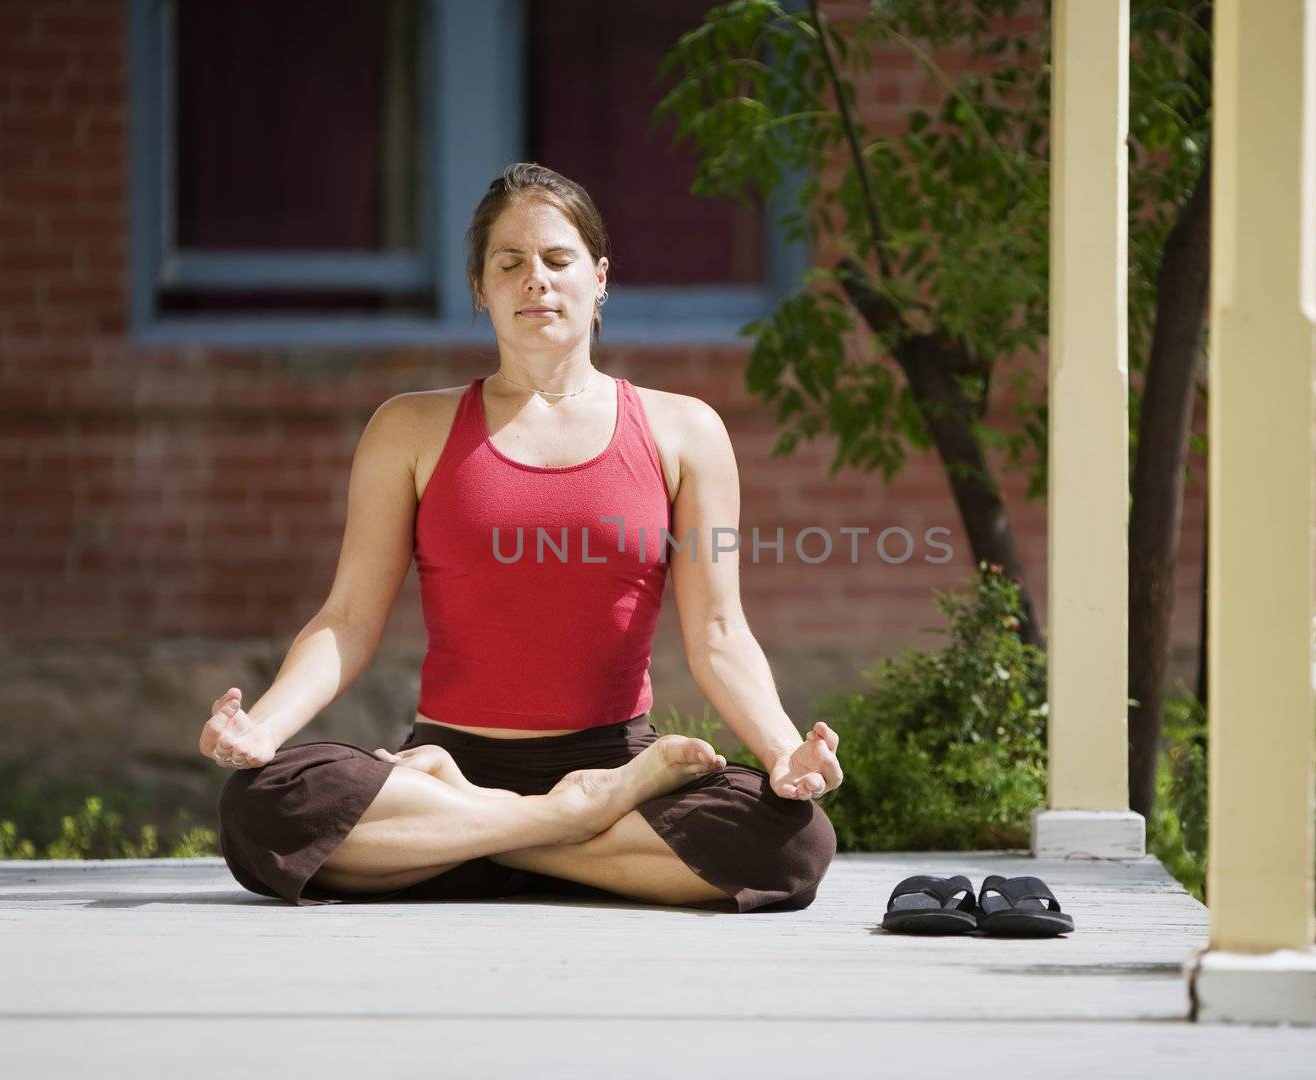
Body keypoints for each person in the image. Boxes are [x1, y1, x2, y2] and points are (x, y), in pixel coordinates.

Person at [206, 162, 843, 912]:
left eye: (557, 260)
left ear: (599, 277)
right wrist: (264, 726)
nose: (535, 280)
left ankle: (480, 838)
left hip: (601, 762)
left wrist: (781, 752)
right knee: (261, 808)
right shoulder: (409, 428)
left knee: (794, 843)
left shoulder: (685, 431)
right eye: (509, 264)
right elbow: (347, 618)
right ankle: (566, 830)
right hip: (461, 758)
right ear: (481, 287)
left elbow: (719, 630)